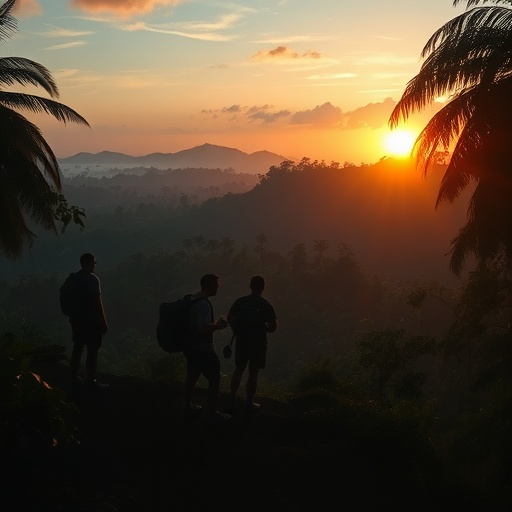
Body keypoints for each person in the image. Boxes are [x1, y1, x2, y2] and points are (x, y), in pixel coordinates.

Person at [183, 273, 230, 424]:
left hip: (190, 345)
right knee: (214, 378)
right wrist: (218, 326)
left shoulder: (192, 298)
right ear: (209, 286)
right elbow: (202, 328)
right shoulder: (203, 304)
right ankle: (213, 413)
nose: (218, 288)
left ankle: (187, 407)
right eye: (216, 285)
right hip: (202, 347)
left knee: (192, 375)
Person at [227, 275, 277, 412]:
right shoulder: (265, 305)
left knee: (239, 369)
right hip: (258, 343)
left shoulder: (241, 301)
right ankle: (249, 402)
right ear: (263, 288)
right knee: (253, 372)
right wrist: (262, 329)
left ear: (250, 286)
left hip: (242, 339)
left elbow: (229, 317)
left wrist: (236, 328)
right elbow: (273, 327)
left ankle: (232, 398)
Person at [69, 252, 108, 391]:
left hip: (76, 321)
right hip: (91, 321)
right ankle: (90, 380)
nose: (94, 265)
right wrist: (103, 323)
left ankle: (73, 379)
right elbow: (98, 303)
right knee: (92, 350)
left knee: (78, 348)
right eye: (93, 262)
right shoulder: (93, 280)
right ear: (88, 263)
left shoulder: (74, 279)